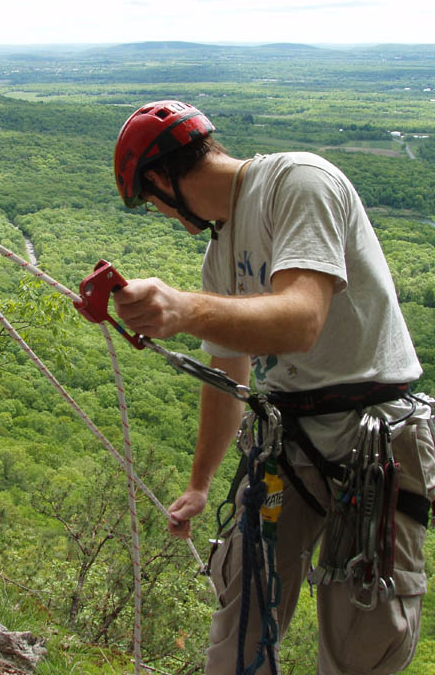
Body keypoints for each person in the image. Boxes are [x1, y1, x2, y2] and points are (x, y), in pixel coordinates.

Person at [111, 100, 435, 675]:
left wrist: (184, 310)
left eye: (150, 202)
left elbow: (301, 320)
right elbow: (228, 374)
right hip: (290, 442)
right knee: (241, 616)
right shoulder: (220, 251)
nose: (161, 214)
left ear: (160, 180)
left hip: (375, 437)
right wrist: (200, 483)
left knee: (361, 639)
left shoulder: (299, 182)